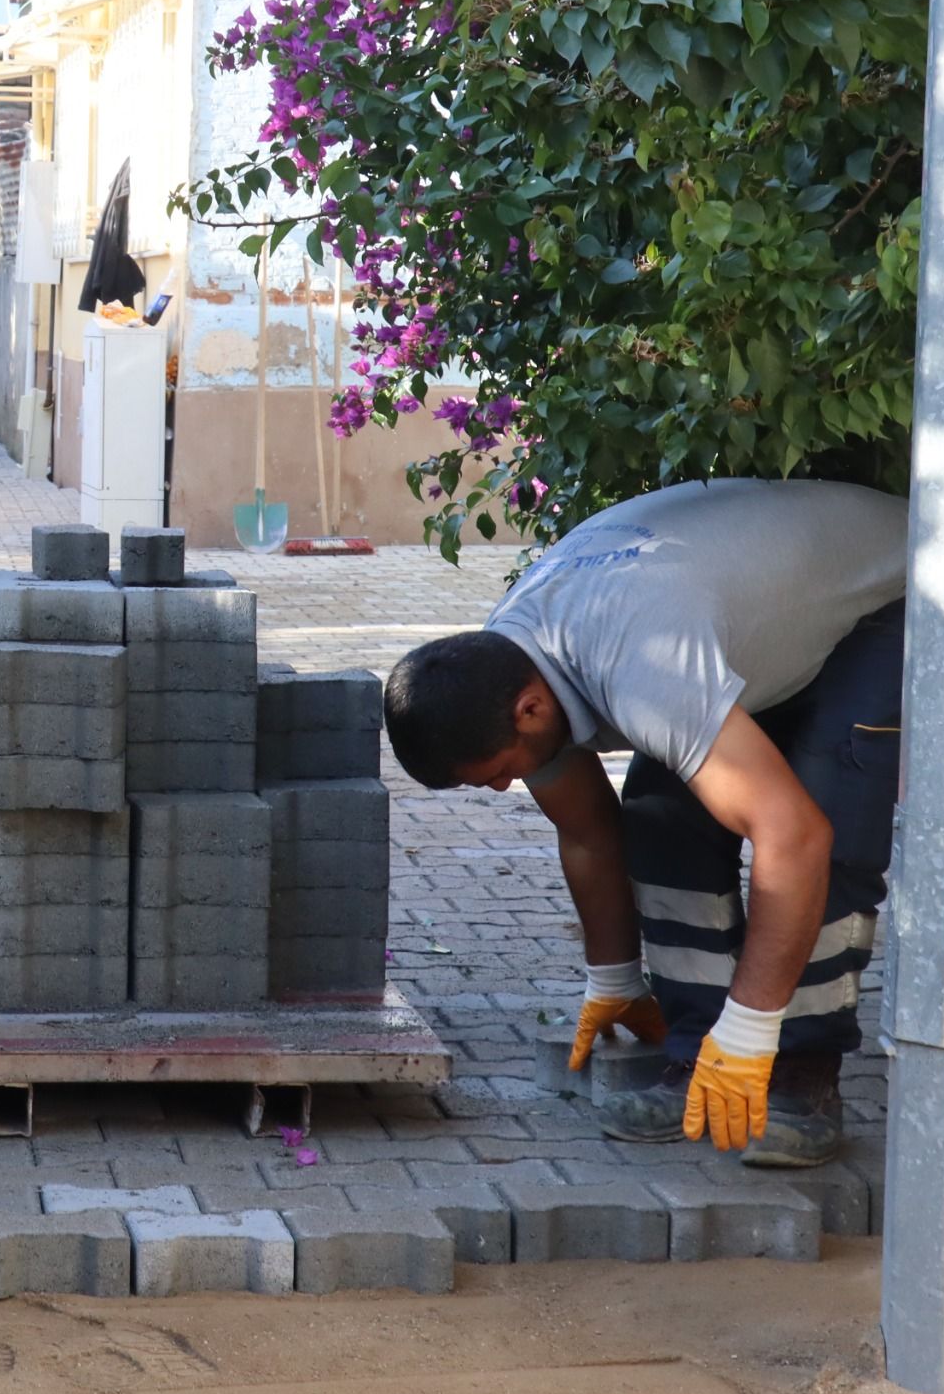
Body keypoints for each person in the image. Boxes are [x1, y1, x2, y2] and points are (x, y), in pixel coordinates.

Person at [382, 479, 907, 1167]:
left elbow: (794, 836)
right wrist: (615, 981)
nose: (508, 785)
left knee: (827, 813)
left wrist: (751, 1027)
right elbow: (587, 829)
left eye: (498, 772)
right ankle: (697, 1051)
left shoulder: (638, 664)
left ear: (530, 712)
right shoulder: (503, 665)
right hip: (760, 619)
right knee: (661, 817)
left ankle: (801, 1072)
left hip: (890, 595)